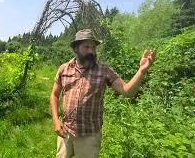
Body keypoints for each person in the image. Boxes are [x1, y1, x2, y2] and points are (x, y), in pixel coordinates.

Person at [50, 29, 156, 158]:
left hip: (89, 135)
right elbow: (54, 94)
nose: (91, 51)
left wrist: (141, 71)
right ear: (76, 48)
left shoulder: (104, 70)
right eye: (86, 47)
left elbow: (127, 91)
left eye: (93, 47)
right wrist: (56, 119)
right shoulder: (64, 69)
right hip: (65, 131)